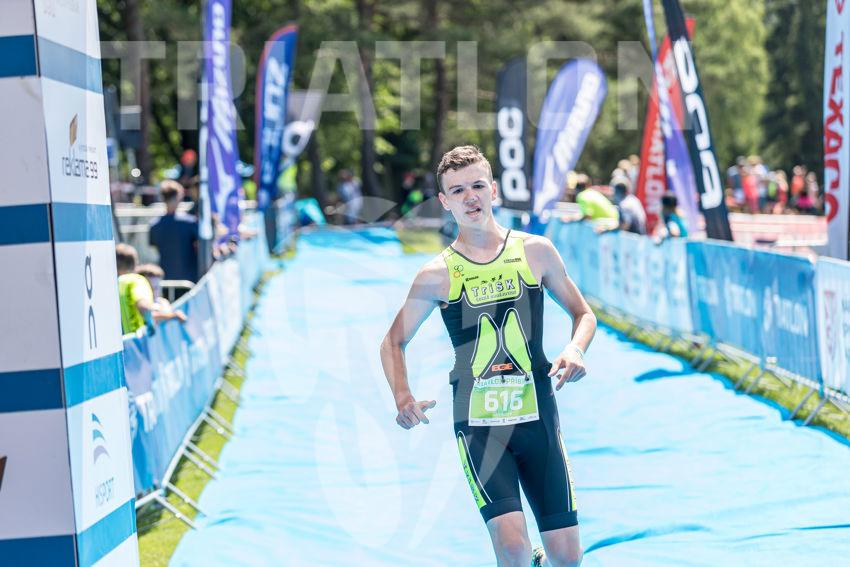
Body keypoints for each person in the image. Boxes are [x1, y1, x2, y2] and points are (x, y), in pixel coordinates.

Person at [380, 145, 596, 567]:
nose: (470, 197)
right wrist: (402, 396)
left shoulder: (535, 251)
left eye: (477, 186)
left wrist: (575, 348)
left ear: (493, 190)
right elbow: (392, 342)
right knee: (512, 546)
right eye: (457, 191)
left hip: (538, 418)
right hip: (479, 426)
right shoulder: (436, 274)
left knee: (567, 557)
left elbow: (583, 313)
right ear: (444, 201)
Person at [116, 244, 186, 334]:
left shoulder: (117, 282)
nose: (155, 291)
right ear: (136, 262)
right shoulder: (137, 280)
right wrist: (171, 315)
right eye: (152, 287)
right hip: (138, 340)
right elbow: (144, 307)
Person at [149, 180, 200, 284]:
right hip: (190, 281)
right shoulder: (190, 222)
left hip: (166, 280)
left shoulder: (154, 225)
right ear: (178, 197)